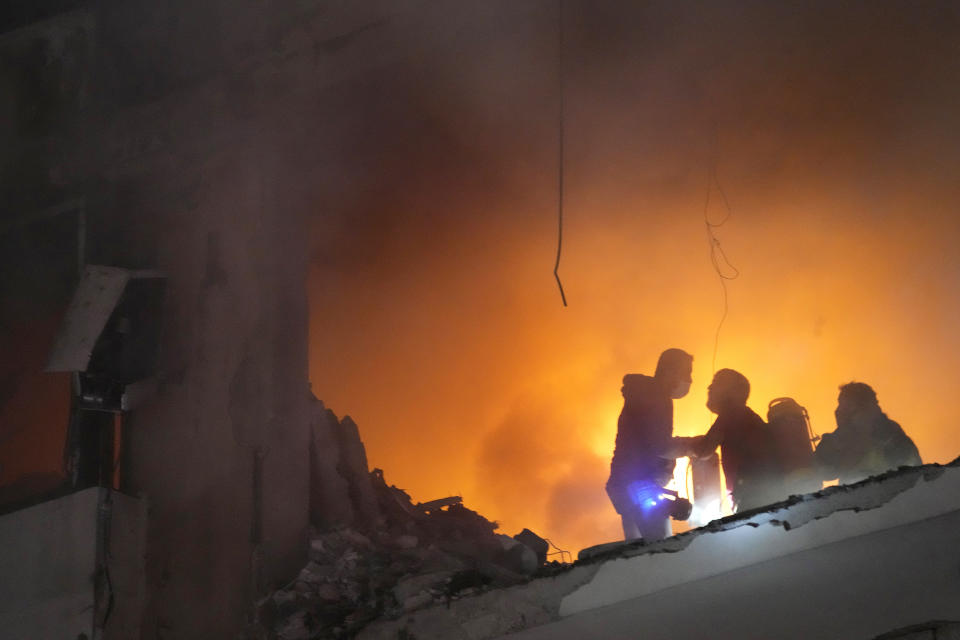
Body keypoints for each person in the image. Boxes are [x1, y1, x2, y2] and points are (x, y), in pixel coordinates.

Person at [606, 348, 699, 541]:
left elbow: (650, 442)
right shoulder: (657, 397)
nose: (689, 380)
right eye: (687, 373)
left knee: (636, 550)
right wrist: (695, 447)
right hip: (641, 486)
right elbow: (661, 446)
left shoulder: (645, 394)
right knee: (659, 551)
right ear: (669, 372)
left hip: (627, 485)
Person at [693, 368, 778, 512]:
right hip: (765, 495)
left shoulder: (731, 414)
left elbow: (703, 450)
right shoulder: (747, 415)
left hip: (752, 499)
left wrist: (670, 447)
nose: (710, 387)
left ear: (731, 392)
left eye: (716, 383)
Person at [814, 382, 921, 485]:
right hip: (854, 500)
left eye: (845, 406)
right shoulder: (841, 437)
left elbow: (912, 476)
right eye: (840, 404)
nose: (838, 410)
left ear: (865, 408)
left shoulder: (893, 437)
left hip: (888, 500)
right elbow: (820, 472)